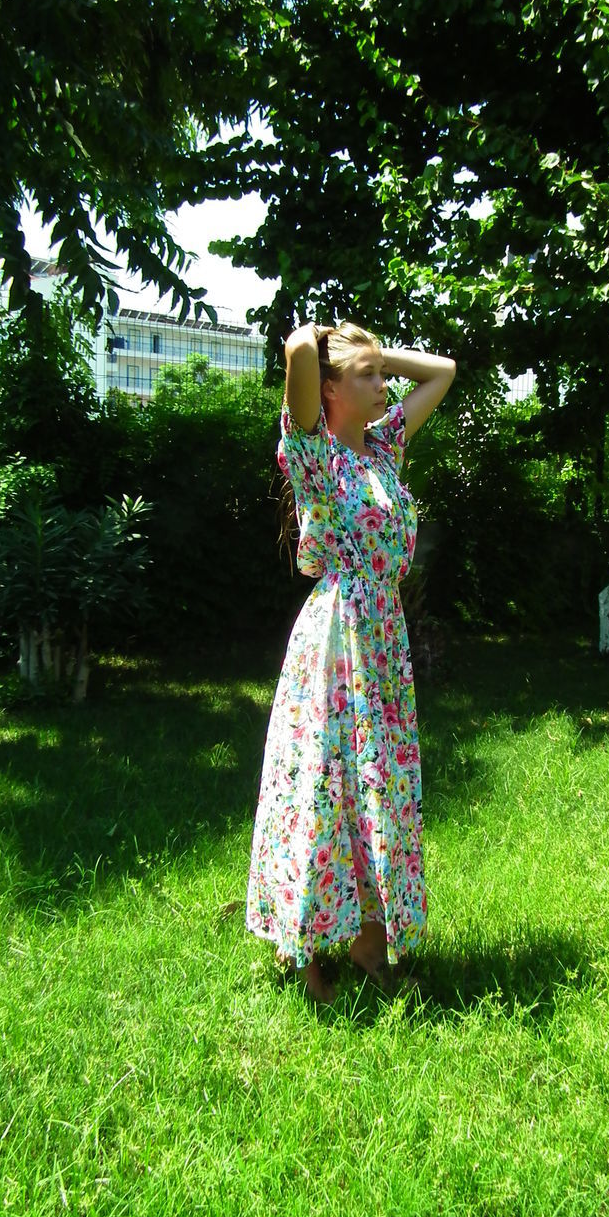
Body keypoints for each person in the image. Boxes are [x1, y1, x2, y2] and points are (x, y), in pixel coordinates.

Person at [246, 321, 456, 1003]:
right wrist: (327, 342)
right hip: (336, 643)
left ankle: (368, 939)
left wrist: (370, 354)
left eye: (382, 374)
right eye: (367, 376)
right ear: (329, 390)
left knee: (380, 785)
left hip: (383, 643)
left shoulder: (384, 447)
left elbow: (443, 370)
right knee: (322, 781)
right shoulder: (313, 454)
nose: (384, 384)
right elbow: (297, 351)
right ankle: (307, 952)